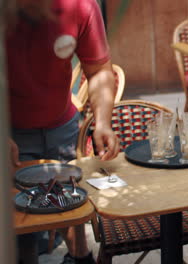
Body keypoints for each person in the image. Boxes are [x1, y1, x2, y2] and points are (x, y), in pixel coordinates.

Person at [5, 0, 120, 263]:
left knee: (70, 208)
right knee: (20, 227)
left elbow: (99, 70)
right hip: (11, 130)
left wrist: (102, 122)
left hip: (61, 125)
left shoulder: (80, 5)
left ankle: (79, 257)